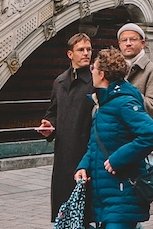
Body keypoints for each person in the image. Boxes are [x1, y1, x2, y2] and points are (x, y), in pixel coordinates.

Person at [76, 47, 153, 229]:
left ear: (101, 74)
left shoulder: (123, 101)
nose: (91, 71)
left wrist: (117, 159)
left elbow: (151, 134)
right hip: (106, 195)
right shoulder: (103, 103)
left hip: (122, 193)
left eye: (94, 68)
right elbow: (95, 144)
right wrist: (83, 166)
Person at [39, 32, 95, 221]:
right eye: (81, 50)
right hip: (63, 153)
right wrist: (49, 126)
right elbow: (52, 112)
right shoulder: (60, 82)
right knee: (65, 209)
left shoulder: (96, 81)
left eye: (88, 49)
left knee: (86, 212)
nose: (86, 53)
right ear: (70, 54)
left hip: (86, 150)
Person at [118, 22, 153, 124]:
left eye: (133, 39)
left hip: (140, 135)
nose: (128, 43)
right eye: (124, 40)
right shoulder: (114, 70)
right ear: (119, 44)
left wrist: (126, 94)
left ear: (143, 43)